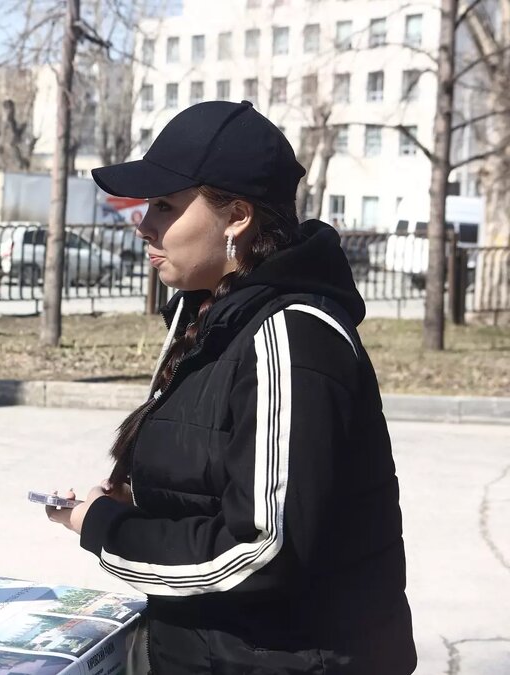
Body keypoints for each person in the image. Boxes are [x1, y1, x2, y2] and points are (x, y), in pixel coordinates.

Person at [45, 101, 416, 674]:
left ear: (237, 216)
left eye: (166, 206)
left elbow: (261, 550)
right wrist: (142, 510)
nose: (142, 222)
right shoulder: (212, 316)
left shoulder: (289, 335)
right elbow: (221, 486)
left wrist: (105, 527)